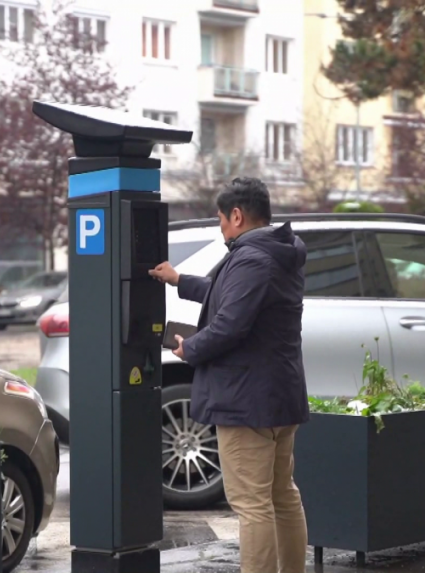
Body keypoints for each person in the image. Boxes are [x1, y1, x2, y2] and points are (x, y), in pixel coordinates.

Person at [148, 177, 309, 573]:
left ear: (237, 215)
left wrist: (190, 348)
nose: (221, 228)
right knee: (282, 495)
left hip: (247, 401)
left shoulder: (251, 257)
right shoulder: (277, 250)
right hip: (279, 394)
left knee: (252, 504)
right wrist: (180, 280)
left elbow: (230, 324)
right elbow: (233, 295)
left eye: (221, 220)